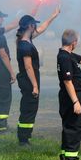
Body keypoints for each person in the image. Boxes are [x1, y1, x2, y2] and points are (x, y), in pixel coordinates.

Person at [16, 8, 60, 145]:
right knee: (29, 108)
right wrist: (35, 86)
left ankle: (25, 136)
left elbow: (42, 28)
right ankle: (23, 139)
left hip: (29, 79)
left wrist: (53, 15)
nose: (35, 26)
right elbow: (28, 67)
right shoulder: (25, 46)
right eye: (34, 24)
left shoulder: (26, 39)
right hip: (29, 81)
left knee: (30, 108)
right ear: (30, 26)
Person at [57, 29, 81, 160]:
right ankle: (71, 158)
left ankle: (65, 154)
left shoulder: (68, 55)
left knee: (69, 125)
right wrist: (76, 101)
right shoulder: (65, 58)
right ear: (73, 42)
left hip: (70, 95)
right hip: (72, 95)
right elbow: (67, 81)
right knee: (75, 126)